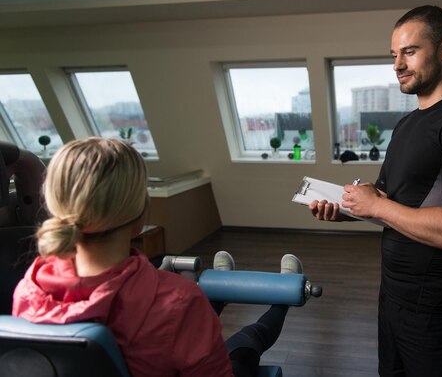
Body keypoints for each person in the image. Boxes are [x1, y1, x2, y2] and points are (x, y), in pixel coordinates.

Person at [309, 5, 442, 377]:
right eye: (394, 54)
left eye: (410, 52)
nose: (398, 64)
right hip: (392, 300)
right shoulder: (405, 126)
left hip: (438, 308)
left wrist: (376, 207)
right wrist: (347, 208)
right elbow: (387, 203)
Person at [12, 137, 303, 377]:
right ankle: (283, 294)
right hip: (182, 320)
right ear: (140, 212)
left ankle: (218, 298)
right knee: (248, 340)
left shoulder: (28, 288)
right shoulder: (179, 299)